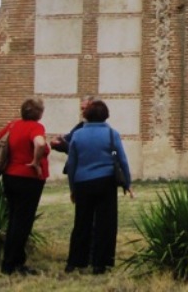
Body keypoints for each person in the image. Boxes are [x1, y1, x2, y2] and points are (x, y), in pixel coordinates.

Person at [64, 99, 134, 274]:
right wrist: (127, 183)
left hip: (82, 183)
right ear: (105, 115)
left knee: (81, 222)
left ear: (87, 115)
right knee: (106, 223)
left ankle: (75, 261)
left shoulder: (78, 136)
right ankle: (100, 264)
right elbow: (119, 157)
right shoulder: (111, 135)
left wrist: (72, 188)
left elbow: (72, 163)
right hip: (105, 181)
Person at [0, 96, 50, 276]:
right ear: (39, 113)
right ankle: (12, 264)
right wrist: (35, 161)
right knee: (23, 223)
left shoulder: (13, 125)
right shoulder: (35, 127)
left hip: (10, 176)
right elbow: (39, 143)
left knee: (14, 220)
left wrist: (8, 157)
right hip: (28, 178)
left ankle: (11, 261)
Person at [50, 95, 94, 172]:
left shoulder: (103, 131)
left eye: (86, 109)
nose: (83, 112)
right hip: (77, 171)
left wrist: (64, 145)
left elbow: (81, 152)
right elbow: (68, 139)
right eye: (82, 109)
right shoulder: (80, 126)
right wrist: (56, 142)